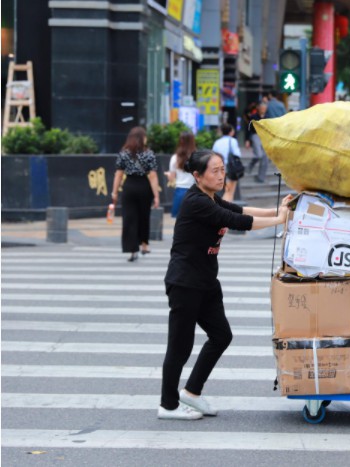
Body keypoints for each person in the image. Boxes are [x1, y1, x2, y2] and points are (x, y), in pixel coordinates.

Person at [159, 149, 292, 420]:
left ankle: (192, 393)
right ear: (197, 176)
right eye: (215, 171)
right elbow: (237, 221)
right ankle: (168, 405)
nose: (221, 175)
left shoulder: (211, 198)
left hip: (206, 281)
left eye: (222, 169)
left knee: (221, 335)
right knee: (180, 346)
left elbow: (239, 209)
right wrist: (277, 220)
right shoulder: (196, 202)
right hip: (185, 283)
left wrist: (276, 210)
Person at [111, 126, 160, 262]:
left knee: (129, 218)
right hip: (144, 186)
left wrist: (114, 192)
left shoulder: (124, 153)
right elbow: (153, 176)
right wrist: (156, 195)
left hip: (129, 187)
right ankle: (144, 244)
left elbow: (118, 174)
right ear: (142, 138)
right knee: (144, 216)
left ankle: (132, 250)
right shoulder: (149, 153)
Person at [166, 132, 197, 218]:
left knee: (180, 222)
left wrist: (168, 175)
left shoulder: (175, 158)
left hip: (180, 192)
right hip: (195, 192)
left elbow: (171, 179)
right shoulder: (197, 157)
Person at [212, 123, 242, 201]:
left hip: (219, 169)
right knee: (229, 192)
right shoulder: (233, 141)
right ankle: (226, 209)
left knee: (222, 191)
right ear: (230, 132)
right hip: (230, 169)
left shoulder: (217, 142)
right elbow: (237, 154)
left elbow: (213, 155)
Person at [247, 101, 269, 183]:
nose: (263, 110)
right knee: (259, 155)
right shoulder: (253, 116)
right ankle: (250, 166)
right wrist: (247, 140)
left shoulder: (268, 117)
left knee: (265, 158)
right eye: (262, 108)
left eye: (264, 108)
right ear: (258, 108)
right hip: (255, 135)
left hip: (265, 137)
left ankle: (261, 177)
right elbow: (248, 129)